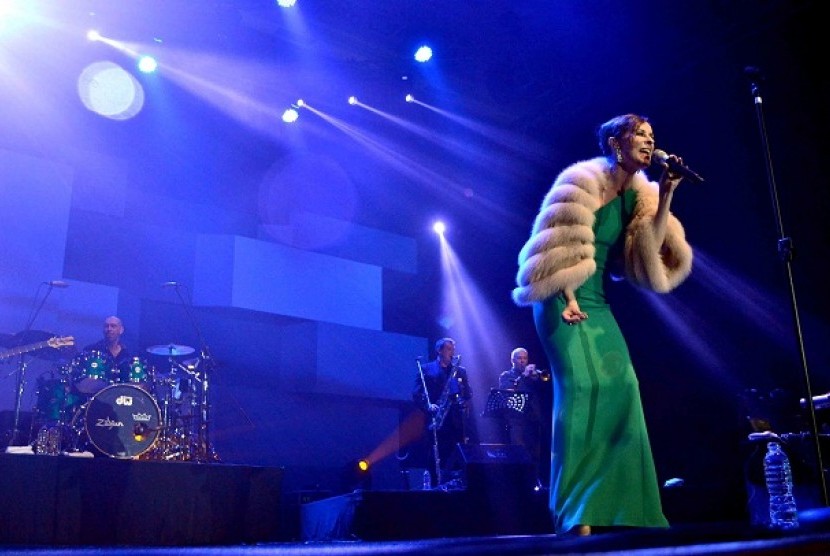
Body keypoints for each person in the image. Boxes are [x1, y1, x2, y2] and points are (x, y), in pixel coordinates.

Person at [512, 114, 693, 536]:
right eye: (641, 136)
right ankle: (576, 513)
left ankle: (627, 508)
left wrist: (665, 194)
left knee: (623, 388)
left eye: (653, 136)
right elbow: (554, 252)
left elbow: (648, 254)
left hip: (597, 300)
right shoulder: (579, 183)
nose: (649, 143)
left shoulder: (639, 193)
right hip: (559, 294)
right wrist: (568, 297)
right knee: (580, 392)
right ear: (617, 142)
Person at [412, 337, 473, 486]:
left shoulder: (460, 371)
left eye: (453, 349)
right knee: (435, 455)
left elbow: (468, 393)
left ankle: (457, 485)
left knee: (457, 456)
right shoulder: (427, 369)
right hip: (436, 420)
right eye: (449, 349)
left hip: (456, 420)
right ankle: (434, 486)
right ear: (439, 350)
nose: (452, 352)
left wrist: (463, 393)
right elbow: (416, 393)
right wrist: (428, 406)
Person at [497, 347, 547, 481]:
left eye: (525, 358)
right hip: (516, 420)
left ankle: (535, 482)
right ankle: (519, 482)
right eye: (519, 358)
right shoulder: (506, 375)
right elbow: (507, 393)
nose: (523, 361)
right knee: (519, 453)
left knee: (535, 454)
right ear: (512, 360)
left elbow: (544, 389)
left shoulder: (532, 376)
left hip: (534, 419)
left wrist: (537, 379)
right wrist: (523, 377)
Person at [75, 315, 134, 394]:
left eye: (113, 326)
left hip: (123, 396)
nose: (109, 329)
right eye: (106, 326)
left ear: (121, 330)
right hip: (97, 396)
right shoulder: (91, 350)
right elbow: (81, 378)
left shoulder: (129, 354)